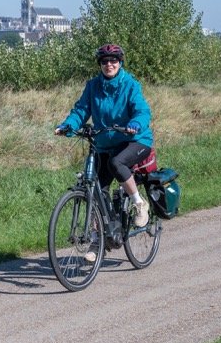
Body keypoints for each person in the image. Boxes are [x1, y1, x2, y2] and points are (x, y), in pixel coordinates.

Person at [53, 43, 154, 228]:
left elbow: (142, 110)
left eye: (113, 60)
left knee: (116, 163)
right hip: (105, 144)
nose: (109, 64)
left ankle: (139, 203)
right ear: (100, 64)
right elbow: (81, 110)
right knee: (97, 190)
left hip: (135, 140)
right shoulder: (93, 86)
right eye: (105, 61)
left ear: (120, 63)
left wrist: (135, 123)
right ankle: (99, 238)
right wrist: (68, 126)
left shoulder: (130, 85)